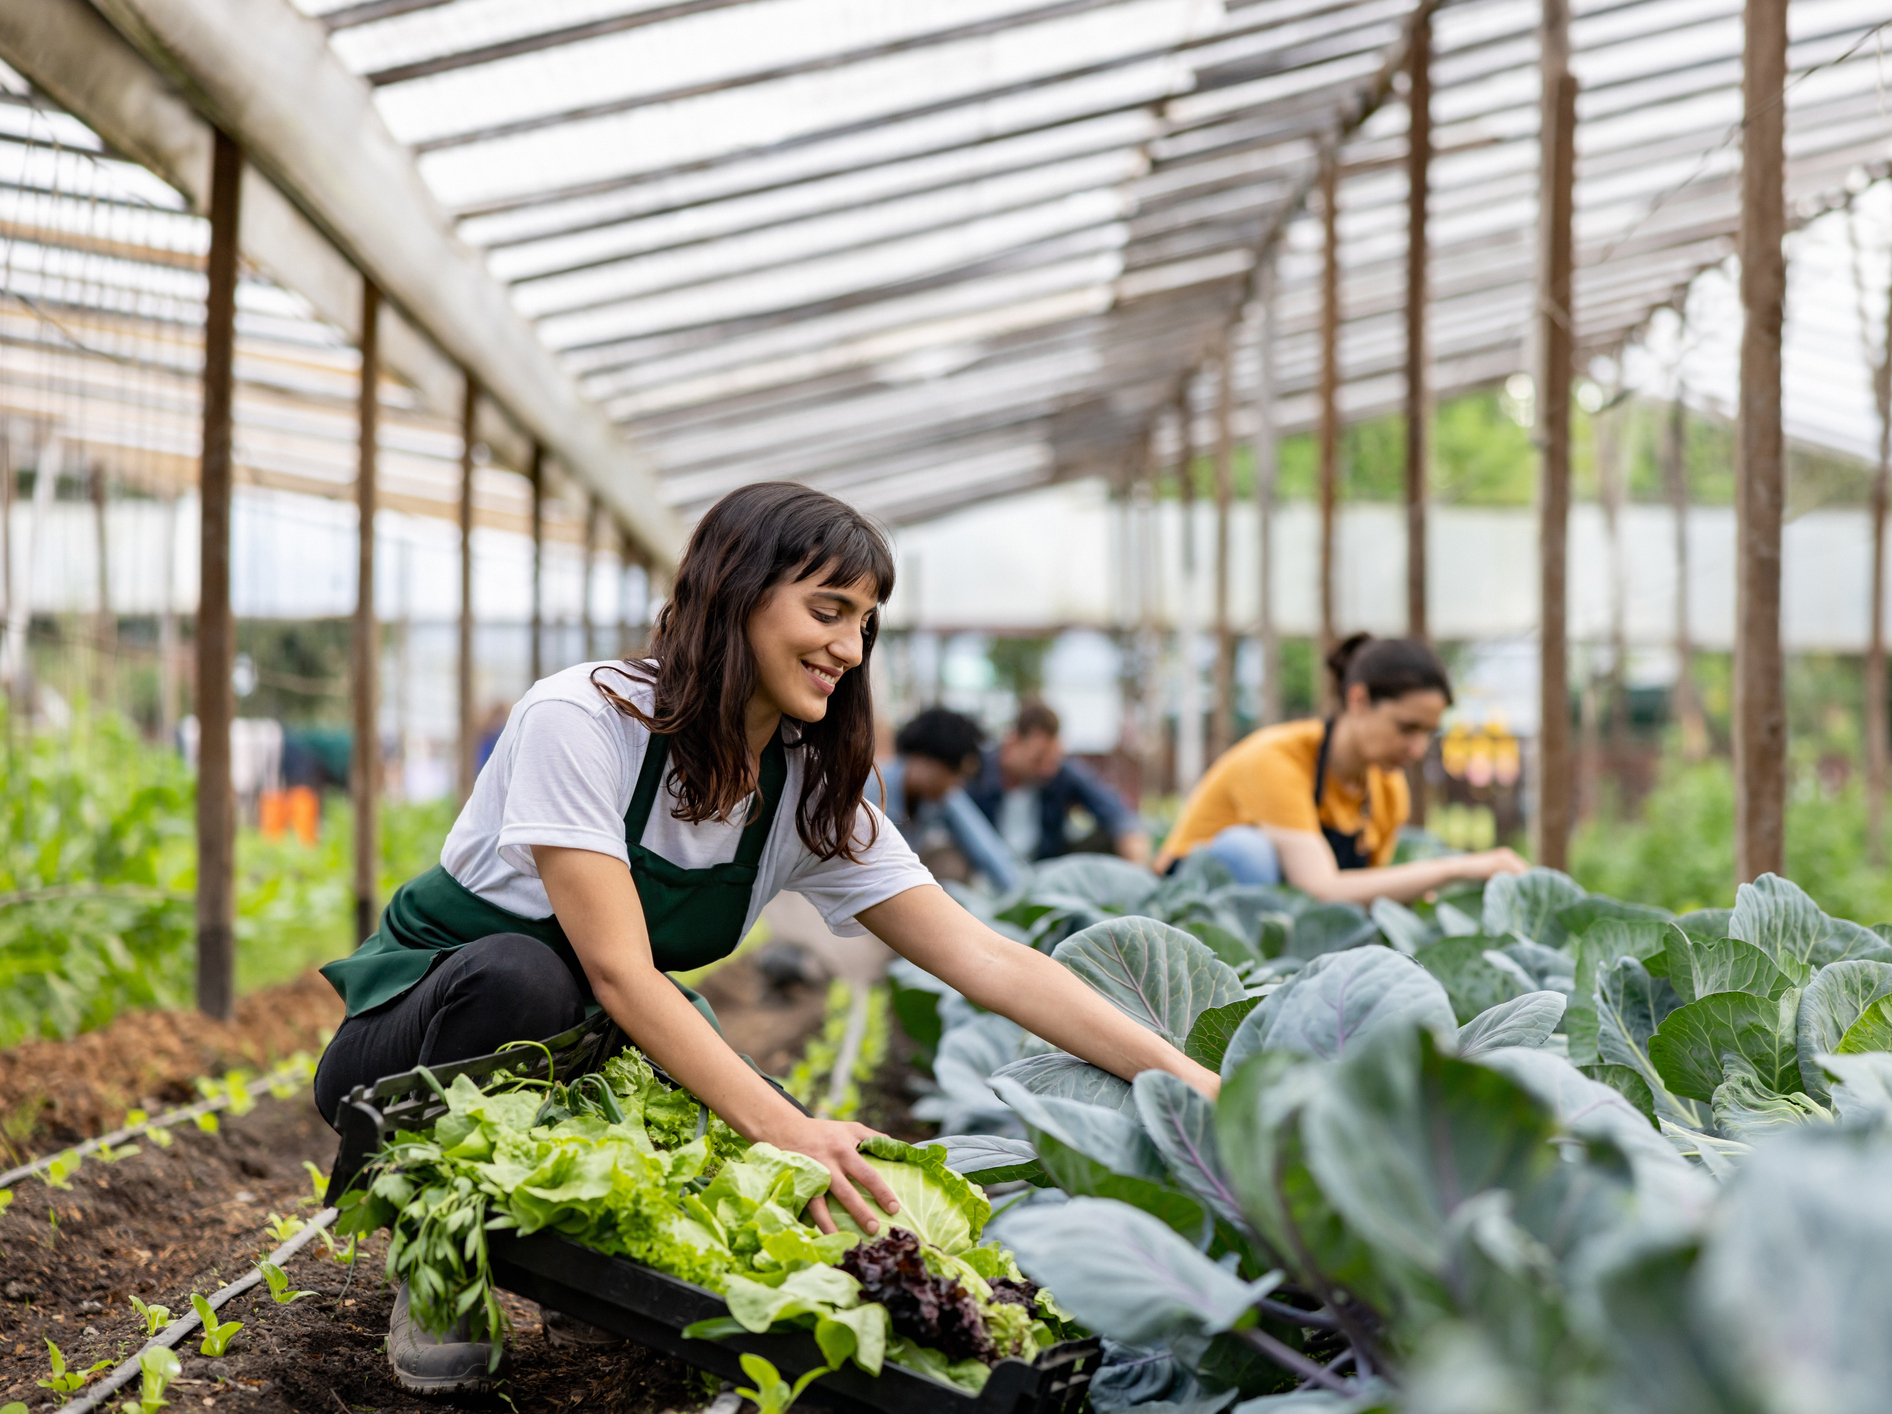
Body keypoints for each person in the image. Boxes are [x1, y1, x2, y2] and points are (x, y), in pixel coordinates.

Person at [312, 482, 1218, 1391]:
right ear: (735, 592)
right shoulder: (583, 719)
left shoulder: (803, 788)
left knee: (765, 1168)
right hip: (411, 1055)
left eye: (865, 623)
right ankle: (439, 1252)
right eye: (827, 612)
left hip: (590, 1058)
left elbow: (985, 959)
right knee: (526, 978)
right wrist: (792, 1128)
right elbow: (623, 976)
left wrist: (1195, 1084)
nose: (848, 648)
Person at [1153, 633, 1528, 901]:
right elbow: (1321, 889)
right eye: (1406, 728)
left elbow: (1364, 896)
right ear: (1358, 699)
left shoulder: (1387, 788)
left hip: (1281, 922)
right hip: (1184, 912)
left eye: (1428, 733)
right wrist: (1455, 868)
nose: (1416, 749)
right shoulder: (1274, 759)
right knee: (1247, 851)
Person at [965, 701, 1151, 865]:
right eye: (1038, 759)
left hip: (1045, 871)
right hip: (983, 871)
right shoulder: (974, 771)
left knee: (1111, 837)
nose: (1048, 769)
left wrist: (1136, 855)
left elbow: (1116, 813)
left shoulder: (1061, 773)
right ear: (1012, 743)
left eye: (1053, 759)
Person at [867, 706, 1023, 892]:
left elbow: (984, 845)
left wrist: (1019, 894)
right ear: (924, 757)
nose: (956, 784)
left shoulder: (940, 797)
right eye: (954, 774)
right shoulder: (868, 790)